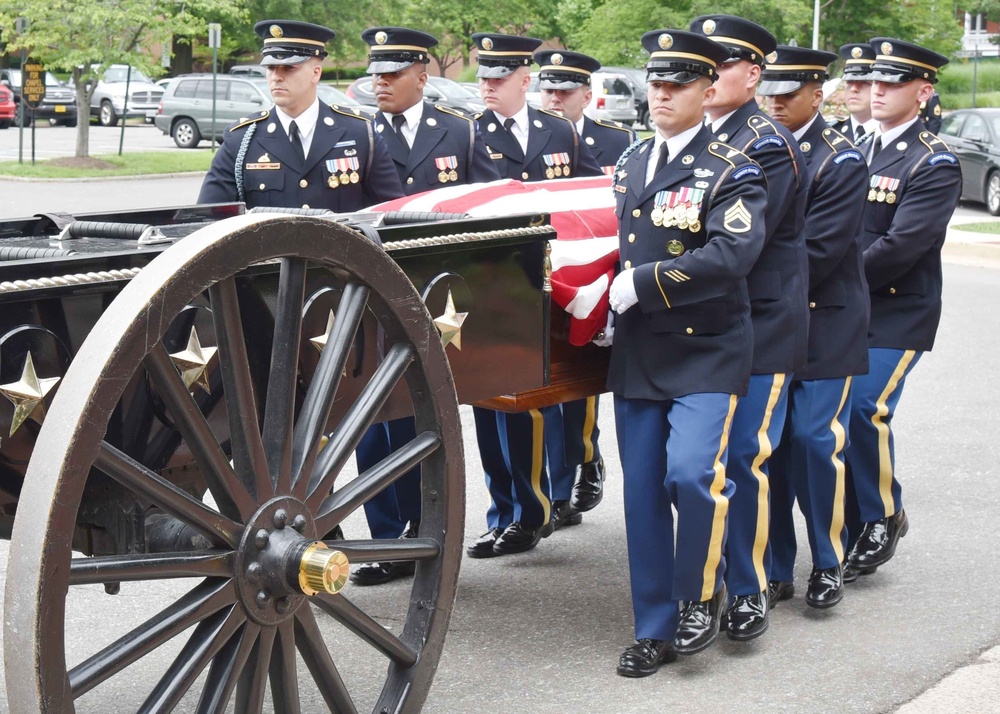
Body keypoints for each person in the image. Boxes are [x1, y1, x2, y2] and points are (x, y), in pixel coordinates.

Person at [607, 28, 767, 676]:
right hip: (642, 354)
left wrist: (640, 285)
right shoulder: (629, 163)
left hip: (707, 350)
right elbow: (621, 247)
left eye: (678, 84)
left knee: (692, 473)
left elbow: (732, 256)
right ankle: (655, 626)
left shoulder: (734, 168)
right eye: (656, 82)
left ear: (707, 91)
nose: (663, 93)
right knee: (643, 495)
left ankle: (699, 595)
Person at [348, 27, 501, 586]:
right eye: (375, 73)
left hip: (439, 296)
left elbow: (486, 208)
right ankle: (386, 537)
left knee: (419, 415)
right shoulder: (356, 134)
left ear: (422, 75)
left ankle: (423, 526)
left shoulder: (458, 133)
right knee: (369, 416)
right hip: (369, 291)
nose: (381, 83)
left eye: (393, 73)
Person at [691, 14, 808, 641]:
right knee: (710, 460)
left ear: (753, 74)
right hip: (707, 322)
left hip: (761, 324)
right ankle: (708, 579)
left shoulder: (765, 144)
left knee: (745, 456)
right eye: (699, 67)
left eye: (723, 66)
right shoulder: (688, 136)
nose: (708, 78)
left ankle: (750, 585)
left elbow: (742, 247)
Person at [465, 32, 602, 559]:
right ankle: (510, 512)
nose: (488, 87)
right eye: (483, 77)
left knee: (548, 396)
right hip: (490, 288)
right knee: (492, 401)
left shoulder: (558, 131)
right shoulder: (467, 135)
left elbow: (588, 200)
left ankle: (548, 500)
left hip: (551, 285)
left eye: (499, 79)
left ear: (525, 80)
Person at [843, 38, 961, 575]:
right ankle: (846, 517)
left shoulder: (933, 160)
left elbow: (902, 246)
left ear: (923, 91)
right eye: (874, 81)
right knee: (829, 416)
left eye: (892, 82)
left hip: (895, 310)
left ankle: (881, 516)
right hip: (841, 304)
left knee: (867, 406)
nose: (878, 90)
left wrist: (825, 280)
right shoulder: (856, 147)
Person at [759, 47, 871, 611]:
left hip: (825, 322)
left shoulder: (840, 160)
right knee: (769, 449)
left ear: (818, 92)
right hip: (777, 322)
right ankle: (776, 567)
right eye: (769, 90)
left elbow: (819, 251)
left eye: (789, 91)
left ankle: (828, 560)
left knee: (814, 441)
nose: (776, 100)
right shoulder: (758, 149)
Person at [535, 48, 637, 529]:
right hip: (542, 271)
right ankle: (555, 478)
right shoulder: (535, 136)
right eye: (548, 89)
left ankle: (584, 458)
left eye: (565, 91)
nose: (554, 98)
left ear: (586, 95)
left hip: (592, 277)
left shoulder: (616, 140)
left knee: (577, 382)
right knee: (544, 384)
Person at [198, 19, 403, 210]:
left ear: (316, 73)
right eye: (271, 67)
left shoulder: (359, 133)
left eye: (288, 68)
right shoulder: (241, 138)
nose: (276, 77)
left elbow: (390, 212)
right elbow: (209, 218)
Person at [832, 44, 878, 144]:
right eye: (849, 81)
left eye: (864, 82)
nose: (854, 88)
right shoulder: (831, 133)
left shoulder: (888, 135)